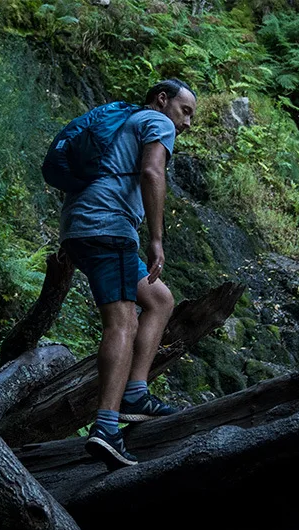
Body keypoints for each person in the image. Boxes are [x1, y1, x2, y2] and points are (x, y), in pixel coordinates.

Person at [59, 79, 197, 468]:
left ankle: (135, 393)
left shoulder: (124, 121)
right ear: (162, 100)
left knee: (159, 299)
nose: (187, 123)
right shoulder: (157, 121)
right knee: (122, 322)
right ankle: (106, 427)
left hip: (81, 227)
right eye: (185, 111)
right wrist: (156, 239)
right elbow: (153, 173)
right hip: (108, 227)